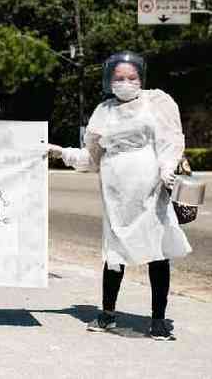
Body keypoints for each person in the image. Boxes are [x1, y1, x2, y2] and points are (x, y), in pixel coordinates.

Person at [48, 51, 191, 341]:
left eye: (131, 77)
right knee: (114, 253)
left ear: (141, 78)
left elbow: (170, 140)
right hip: (115, 191)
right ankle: (107, 314)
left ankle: (159, 319)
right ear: (109, 80)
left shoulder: (156, 103)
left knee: (157, 251)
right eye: (119, 78)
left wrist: (167, 170)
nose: (125, 82)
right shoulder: (104, 111)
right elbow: (91, 157)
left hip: (150, 186)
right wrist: (61, 152)